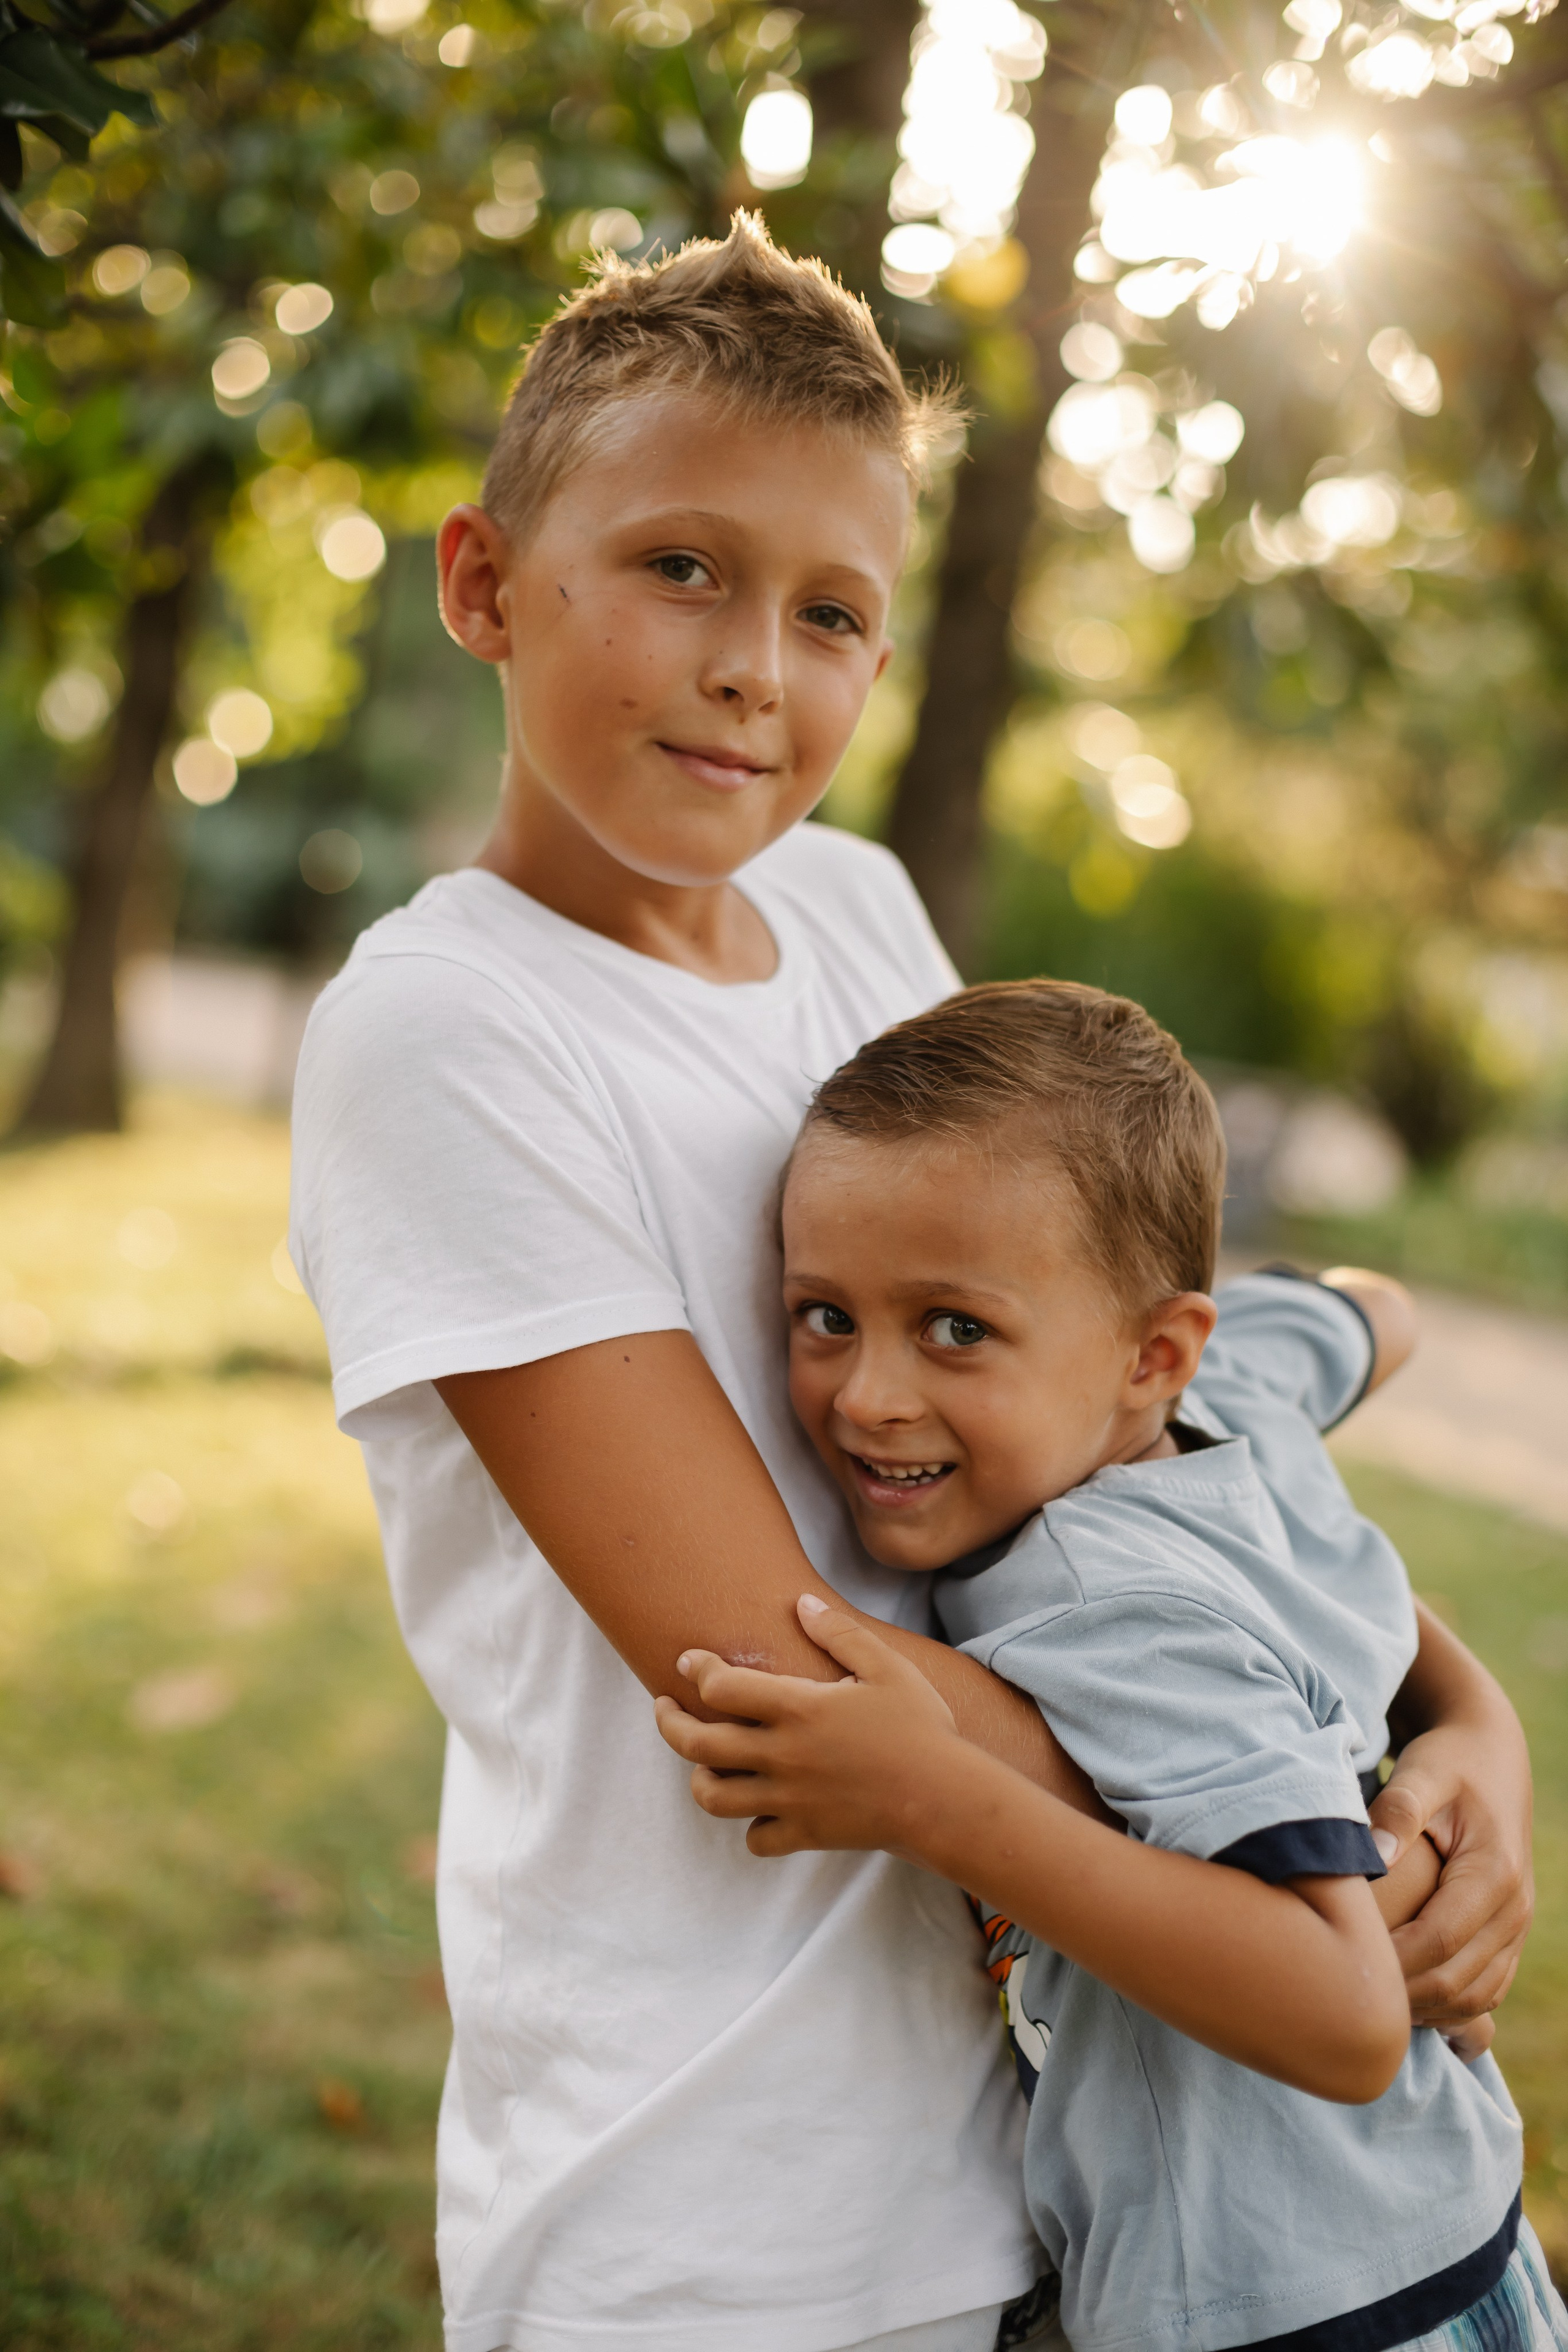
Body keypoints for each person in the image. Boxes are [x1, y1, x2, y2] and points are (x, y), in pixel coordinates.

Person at [290, 215, 1532, 2352]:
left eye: (833, 612)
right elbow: (778, 1678)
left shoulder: (856, 911)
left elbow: (1115, 1412)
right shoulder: (453, 1029)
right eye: (683, 567)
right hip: (715, 2204)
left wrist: (1457, 1734)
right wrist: (1295, 1833)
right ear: (484, 583)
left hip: (1045, 2162)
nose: (755, 667)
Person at [655, 979, 1558, 2352]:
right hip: (1446, 2240)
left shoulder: (1111, 1608)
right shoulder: (1232, 1390)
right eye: (824, 1314)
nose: (868, 1395)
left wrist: (935, 1799)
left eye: (956, 1328)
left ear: (1152, 1354)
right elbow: (1374, 1308)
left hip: (1297, 2314)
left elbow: (1342, 2015)